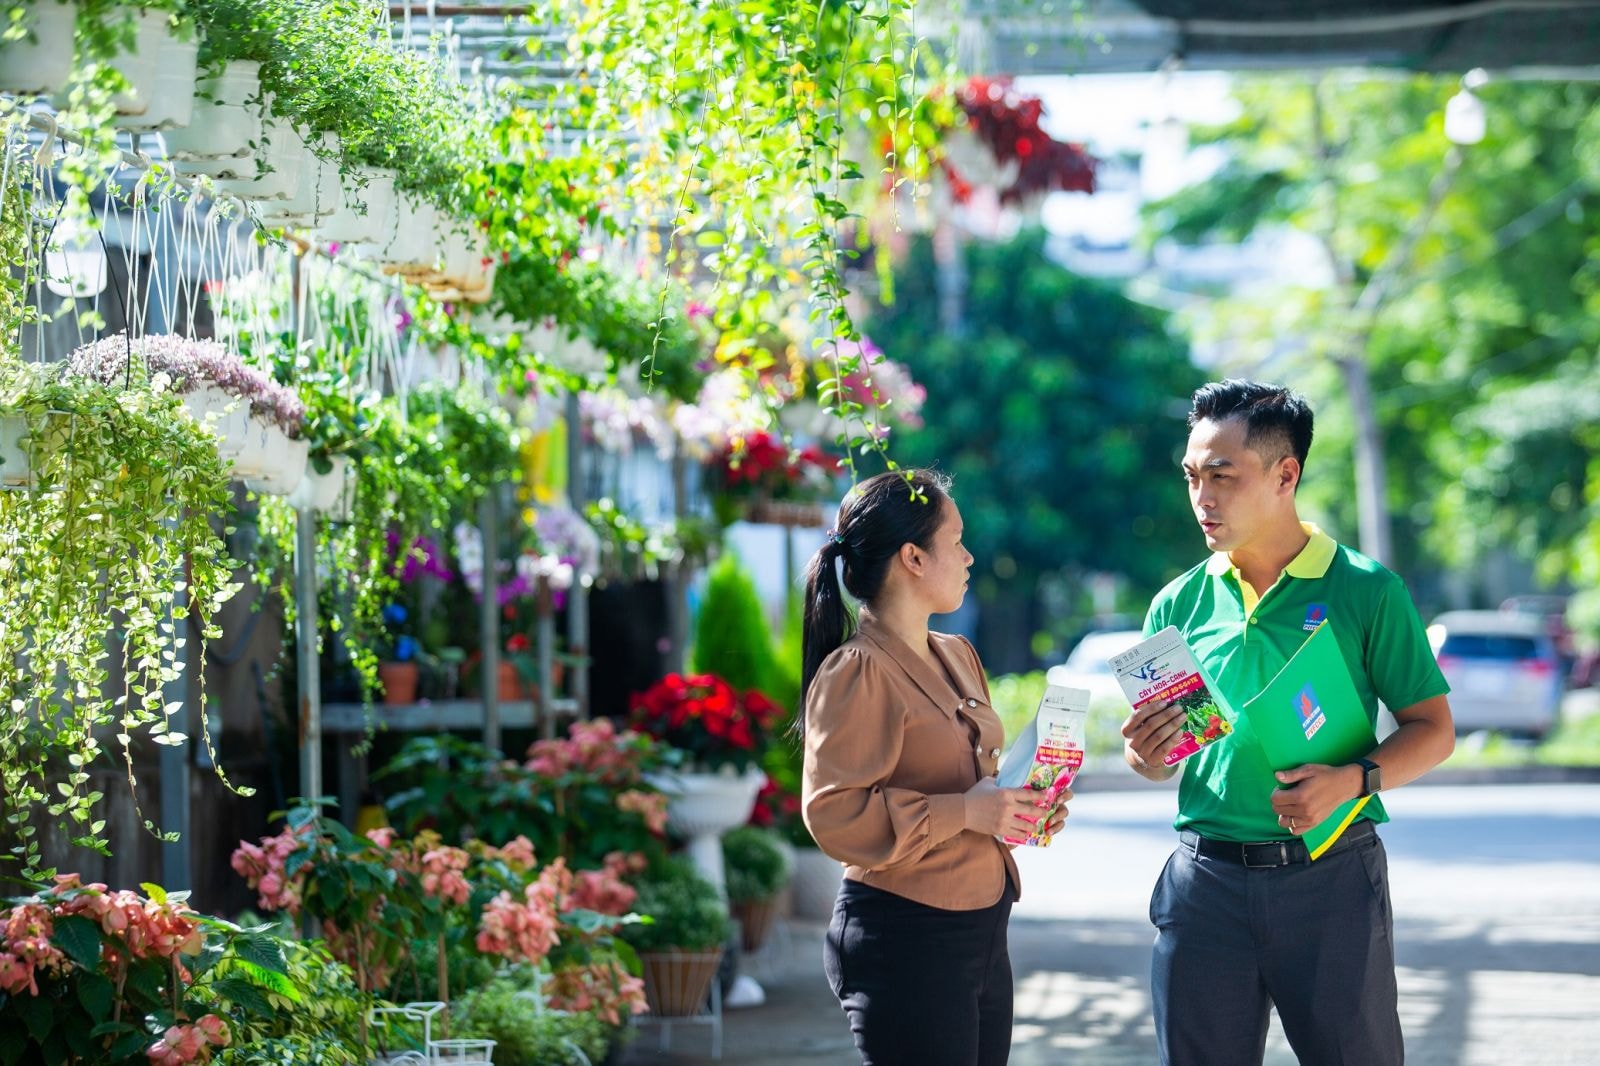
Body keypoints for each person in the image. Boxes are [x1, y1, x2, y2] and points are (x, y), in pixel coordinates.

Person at [1122, 380, 1456, 1065]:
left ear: (1285, 475)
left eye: (1222, 475)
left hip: (1330, 881)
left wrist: (1354, 781)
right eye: (1192, 476)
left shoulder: (1366, 590)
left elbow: (1433, 728)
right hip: (1203, 887)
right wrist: (1148, 755)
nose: (1203, 498)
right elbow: (1164, 759)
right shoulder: (1175, 605)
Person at [800, 469, 1064, 1066]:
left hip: (981, 928)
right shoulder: (857, 670)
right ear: (914, 558)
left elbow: (976, 788)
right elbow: (835, 814)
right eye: (957, 541)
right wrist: (967, 812)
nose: (970, 557)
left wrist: (1019, 806)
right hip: (906, 935)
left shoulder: (957, 654)